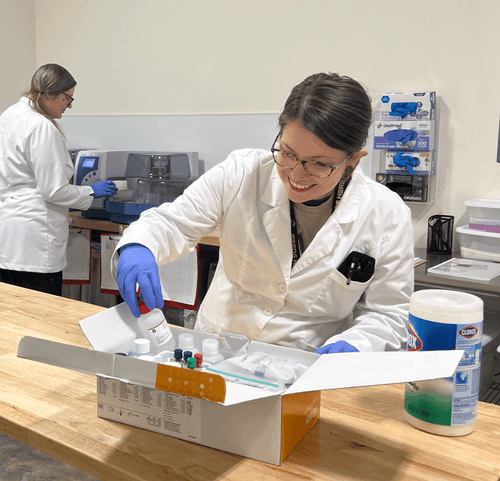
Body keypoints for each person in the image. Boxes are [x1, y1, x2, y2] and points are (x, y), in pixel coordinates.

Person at [112, 72, 414, 354]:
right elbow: (172, 224)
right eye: (288, 153)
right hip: (219, 351)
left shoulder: (385, 214)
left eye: (319, 164)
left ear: (353, 161)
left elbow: (388, 314)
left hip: (304, 366)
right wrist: (139, 246)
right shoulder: (241, 173)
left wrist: (357, 345)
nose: (296, 174)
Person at [0, 63, 118, 296]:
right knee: (40, 316)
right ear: (50, 94)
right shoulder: (41, 126)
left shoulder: (10, 115)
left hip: (9, 234)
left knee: (11, 314)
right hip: (34, 239)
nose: (69, 105)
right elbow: (53, 190)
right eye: (67, 98)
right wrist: (91, 192)